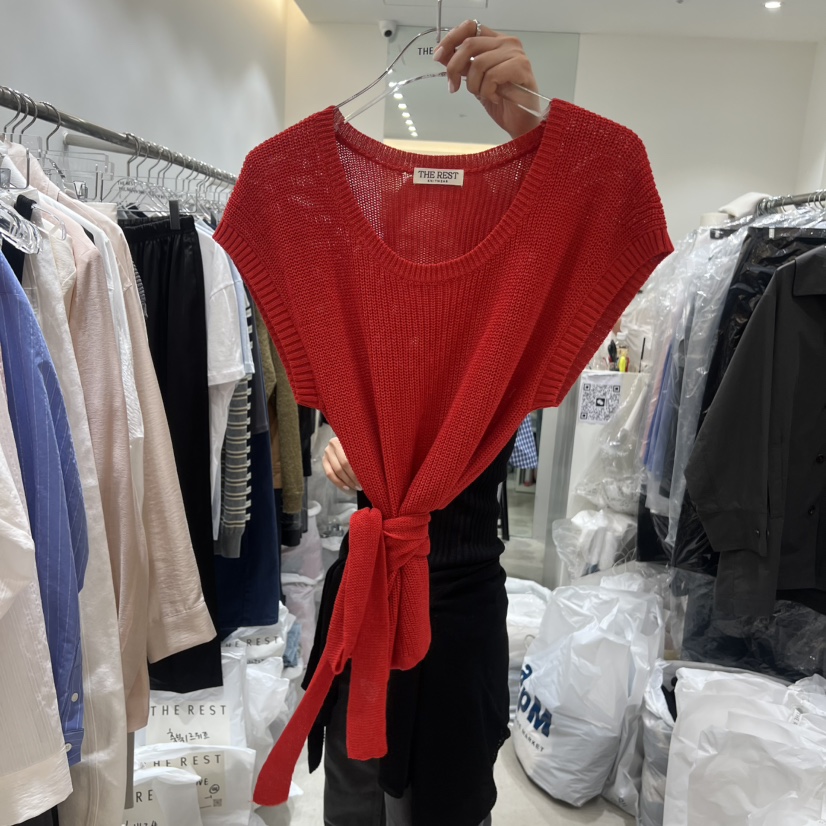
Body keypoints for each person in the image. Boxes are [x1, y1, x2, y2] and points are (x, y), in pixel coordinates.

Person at [312, 20, 542, 826]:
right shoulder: (361, 313)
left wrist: (534, 126)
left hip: (461, 599)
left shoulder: (512, 319)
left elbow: (611, 209)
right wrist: (338, 435)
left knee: (444, 804)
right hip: (365, 587)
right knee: (355, 798)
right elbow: (330, 406)